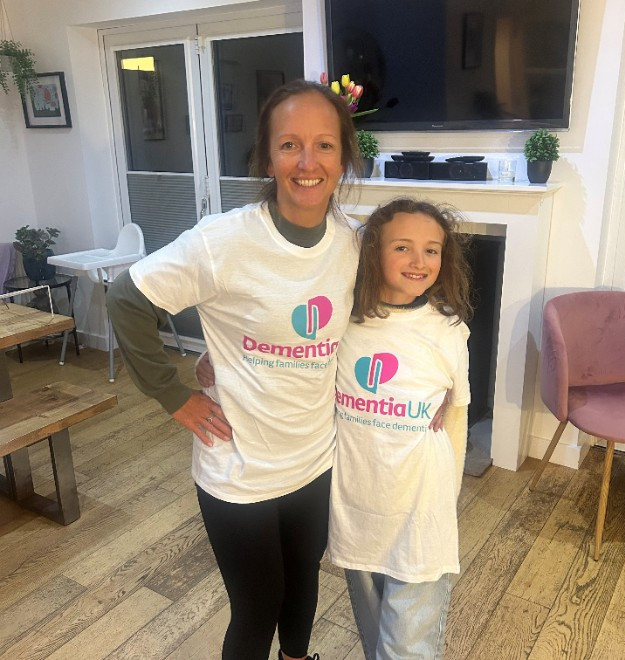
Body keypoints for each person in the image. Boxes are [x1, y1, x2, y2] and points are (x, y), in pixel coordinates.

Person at [106, 79, 363, 660]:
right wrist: (174, 395)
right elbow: (126, 299)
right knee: (258, 605)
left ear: (343, 157)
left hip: (315, 459)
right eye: (289, 145)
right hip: (239, 469)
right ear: (268, 158)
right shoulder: (223, 242)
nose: (307, 162)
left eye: (324, 145)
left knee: (303, 579)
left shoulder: (350, 243)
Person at [327, 198, 472, 659]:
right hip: (356, 504)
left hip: (421, 507)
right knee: (375, 632)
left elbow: (457, 417)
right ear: (373, 252)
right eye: (403, 247)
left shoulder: (447, 332)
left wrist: (447, 500)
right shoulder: (343, 322)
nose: (419, 261)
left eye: (432, 250)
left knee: (408, 644)